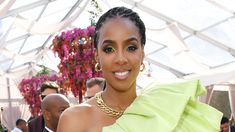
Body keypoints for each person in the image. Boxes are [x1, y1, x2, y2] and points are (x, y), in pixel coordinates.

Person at [57, 6, 222, 132]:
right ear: (97, 56)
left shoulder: (166, 109)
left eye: (131, 47)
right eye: (109, 49)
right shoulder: (75, 120)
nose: (121, 59)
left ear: (142, 53)